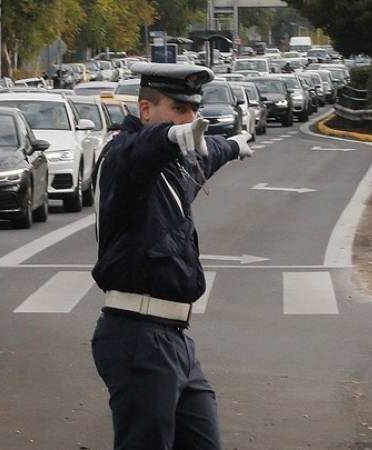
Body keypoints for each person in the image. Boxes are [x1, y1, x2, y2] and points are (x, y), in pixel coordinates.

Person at [91, 62, 254, 450]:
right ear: (146, 111)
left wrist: (231, 146)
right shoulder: (124, 160)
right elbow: (140, 150)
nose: (192, 119)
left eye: (194, 111)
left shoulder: (175, 165)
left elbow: (205, 153)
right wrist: (169, 137)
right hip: (137, 334)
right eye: (180, 110)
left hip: (174, 338)